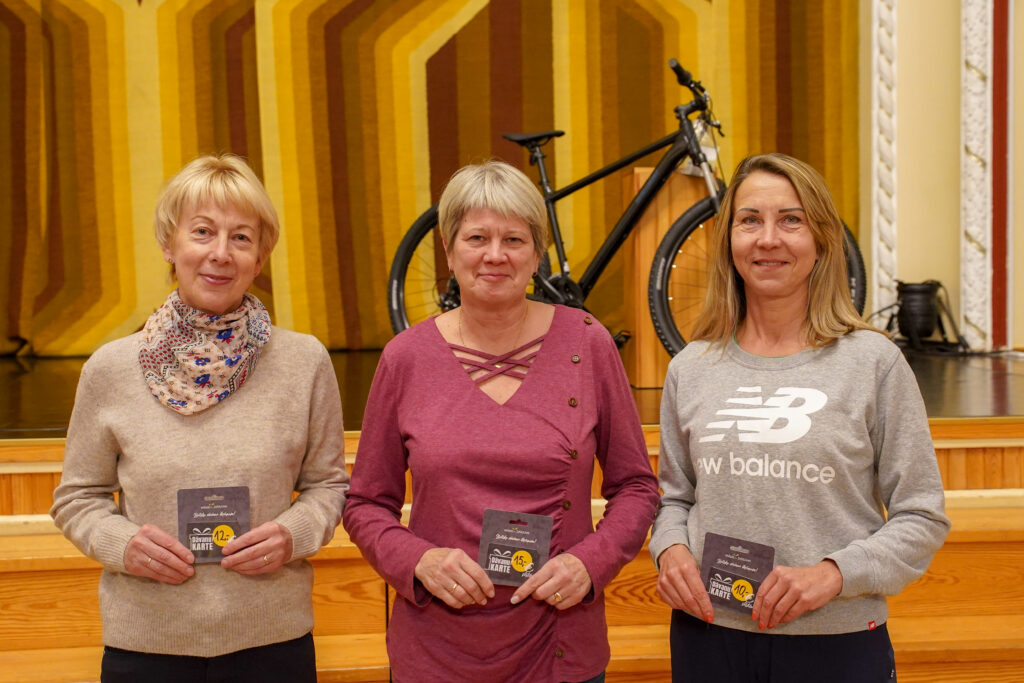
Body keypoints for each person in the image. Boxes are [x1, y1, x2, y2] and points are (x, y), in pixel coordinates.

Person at [343, 160, 660, 682]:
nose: (495, 254)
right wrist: (418, 561)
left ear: (536, 254)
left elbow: (637, 487)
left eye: (514, 239)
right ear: (449, 251)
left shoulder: (587, 343)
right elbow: (365, 504)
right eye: (477, 238)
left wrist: (591, 563)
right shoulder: (406, 358)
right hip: (437, 649)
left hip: (560, 644)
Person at [650, 153, 950, 682]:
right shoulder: (691, 368)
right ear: (729, 240)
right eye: (750, 220)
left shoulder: (873, 363)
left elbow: (921, 515)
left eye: (791, 220)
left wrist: (834, 574)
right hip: (708, 636)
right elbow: (675, 500)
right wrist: (669, 549)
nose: (768, 239)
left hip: (833, 641)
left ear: (822, 239)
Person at [51, 154, 348, 683]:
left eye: (241, 238)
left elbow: (328, 487)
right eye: (203, 232)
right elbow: (77, 499)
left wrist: (292, 534)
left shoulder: (305, 362)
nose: (220, 253)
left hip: (272, 643)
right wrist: (123, 545)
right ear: (170, 244)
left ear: (260, 257)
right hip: (146, 647)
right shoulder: (110, 369)